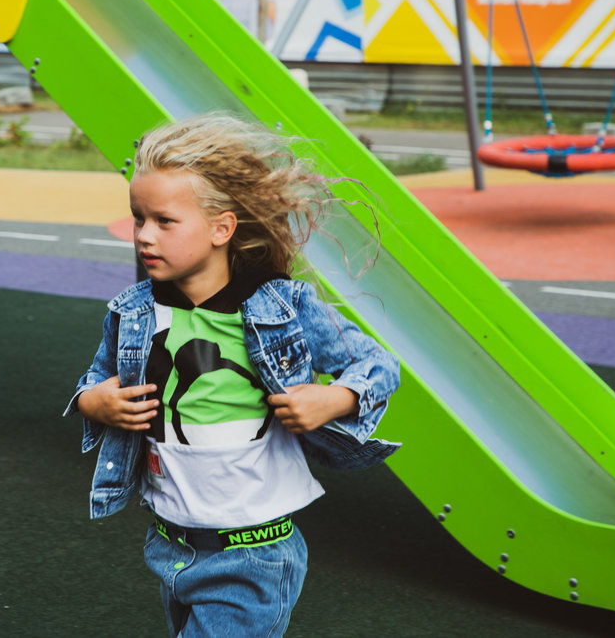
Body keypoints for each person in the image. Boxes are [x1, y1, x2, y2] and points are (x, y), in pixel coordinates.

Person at [64, 114, 400, 637]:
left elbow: (379, 365)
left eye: (165, 221)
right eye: (138, 218)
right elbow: (94, 381)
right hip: (171, 546)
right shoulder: (133, 313)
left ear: (222, 229)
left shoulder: (279, 307)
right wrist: (95, 403)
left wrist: (334, 399)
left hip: (253, 555)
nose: (144, 236)